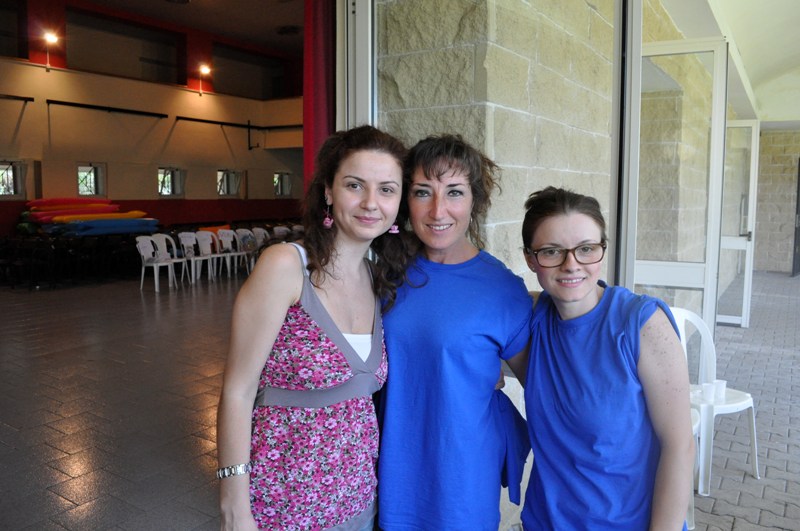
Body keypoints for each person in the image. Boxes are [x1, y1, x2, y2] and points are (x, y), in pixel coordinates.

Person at [216, 125, 408, 531]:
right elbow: (237, 391)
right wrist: (234, 508)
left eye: (387, 190)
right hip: (281, 508)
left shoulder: (376, 278)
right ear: (328, 192)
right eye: (355, 185)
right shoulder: (286, 266)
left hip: (358, 504)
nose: (371, 203)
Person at [377, 134, 534, 530]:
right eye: (423, 192)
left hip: (461, 481)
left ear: (474, 201)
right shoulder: (386, 273)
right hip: (385, 473)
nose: (438, 210)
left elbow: (540, 386)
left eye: (455, 192)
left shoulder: (501, 289)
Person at [519, 186, 695, 530]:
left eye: (586, 249)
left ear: (602, 249)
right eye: (552, 251)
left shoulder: (642, 324)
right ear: (530, 259)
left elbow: (679, 447)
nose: (571, 264)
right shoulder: (529, 318)